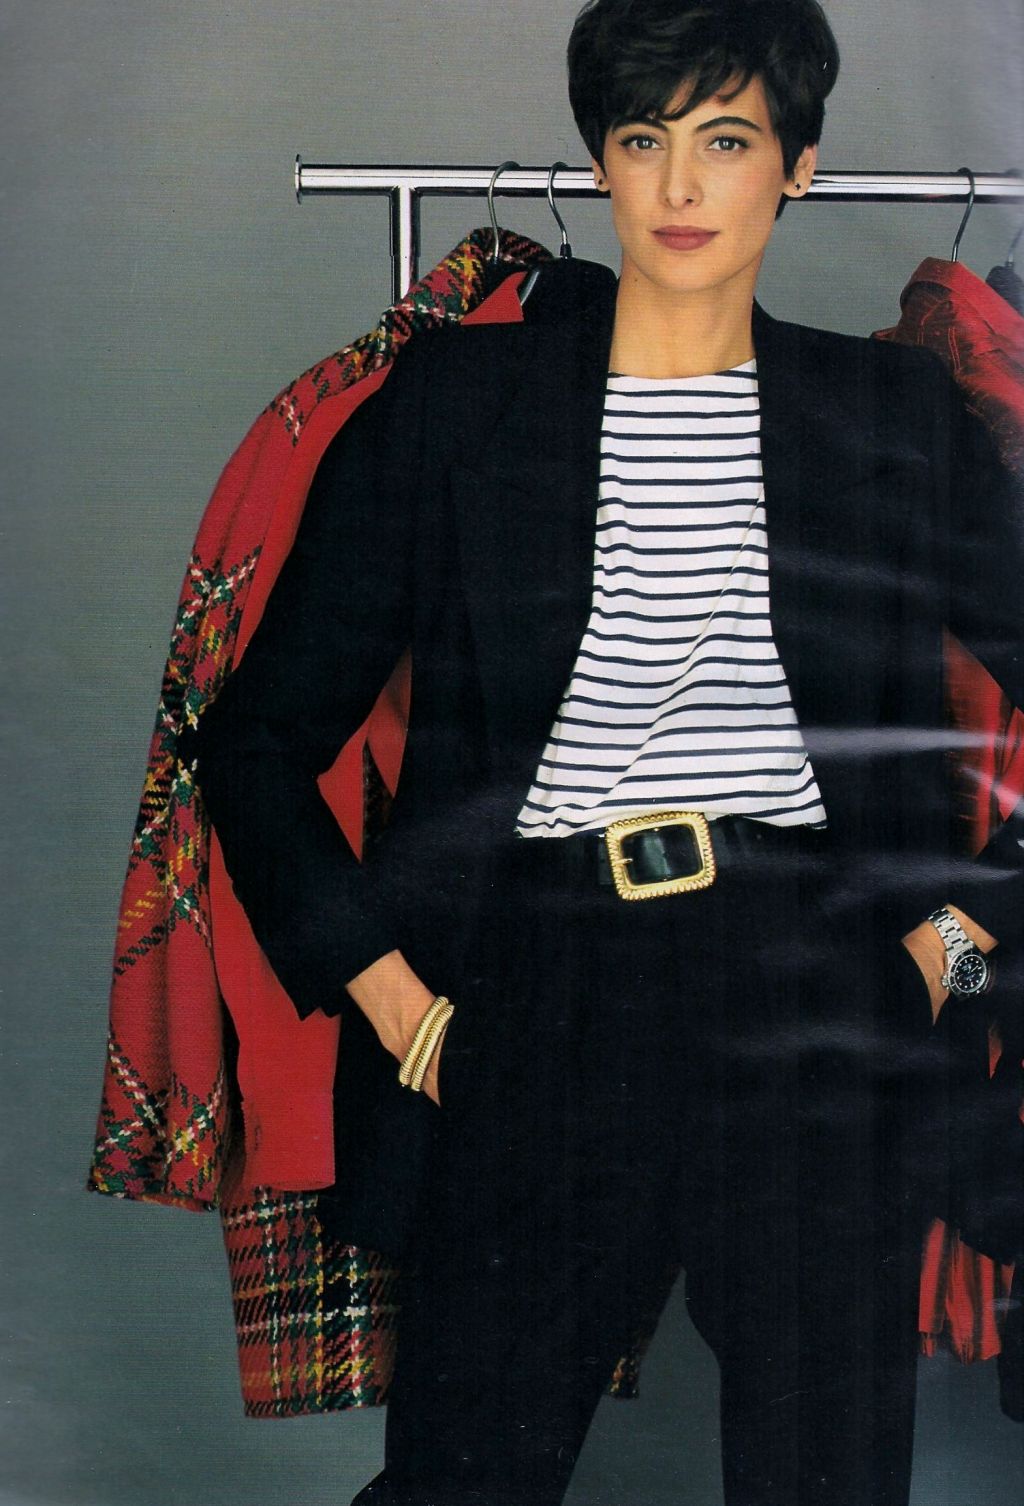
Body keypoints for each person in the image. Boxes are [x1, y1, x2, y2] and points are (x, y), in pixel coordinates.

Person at [186, 2, 1023, 1502]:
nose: (682, 185)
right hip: (532, 988)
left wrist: (957, 938)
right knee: (464, 1477)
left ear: (798, 167)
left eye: (727, 141)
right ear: (601, 165)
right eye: (646, 140)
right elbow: (252, 741)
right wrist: (391, 995)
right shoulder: (454, 407)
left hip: (818, 987)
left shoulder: (891, 416)